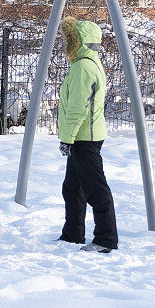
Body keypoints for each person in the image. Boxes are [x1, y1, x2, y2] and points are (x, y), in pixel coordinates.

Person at [57, 16, 118, 254]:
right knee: (72, 188)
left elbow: (77, 107)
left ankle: (106, 239)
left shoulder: (83, 67)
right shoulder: (88, 62)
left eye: (69, 39)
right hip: (84, 136)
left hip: (84, 138)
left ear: (79, 41)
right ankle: (72, 234)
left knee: (95, 188)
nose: (65, 44)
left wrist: (67, 138)